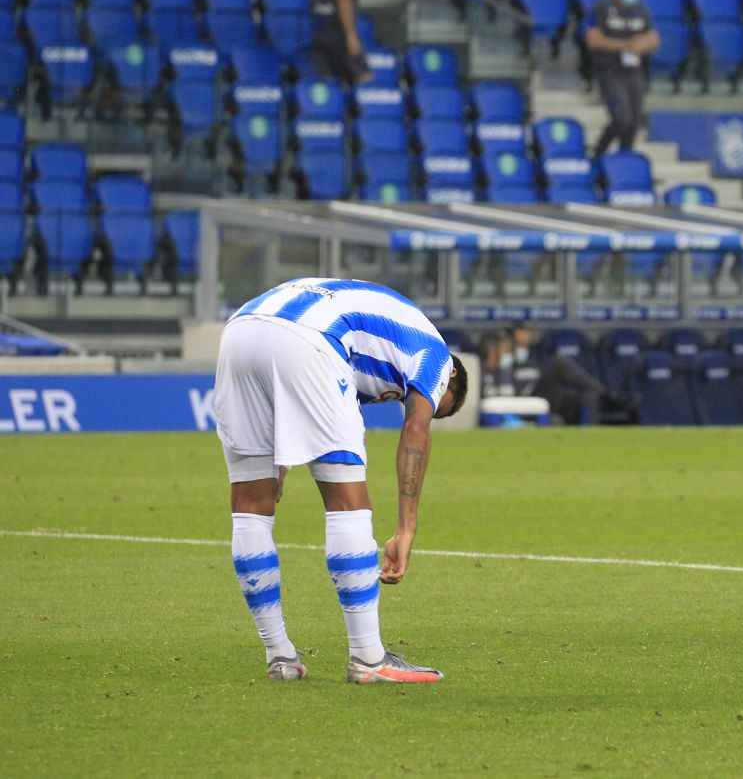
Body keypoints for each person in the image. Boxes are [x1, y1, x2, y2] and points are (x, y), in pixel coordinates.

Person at [214, 278, 468, 683]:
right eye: (440, 401)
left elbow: (292, 396)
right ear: (450, 377)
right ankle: (369, 659)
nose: (415, 401)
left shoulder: (386, 342)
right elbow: (416, 432)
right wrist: (406, 528)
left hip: (241, 327)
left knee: (250, 506)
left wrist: (276, 469)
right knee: (346, 499)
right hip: (311, 337)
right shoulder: (437, 355)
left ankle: (280, 656)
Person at [483, 323, 635, 425]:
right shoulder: (504, 366)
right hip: (527, 400)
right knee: (558, 364)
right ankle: (609, 396)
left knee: (589, 394)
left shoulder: (534, 359)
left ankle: (591, 436)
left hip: (546, 398)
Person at [584, 0, 661, 158]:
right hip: (610, 72)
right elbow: (593, 39)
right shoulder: (601, 7)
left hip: (634, 73)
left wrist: (643, 44)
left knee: (634, 123)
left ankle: (624, 161)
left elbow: (654, 38)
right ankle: (598, 154)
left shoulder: (640, 10)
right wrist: (625, 44)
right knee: (622, 119)